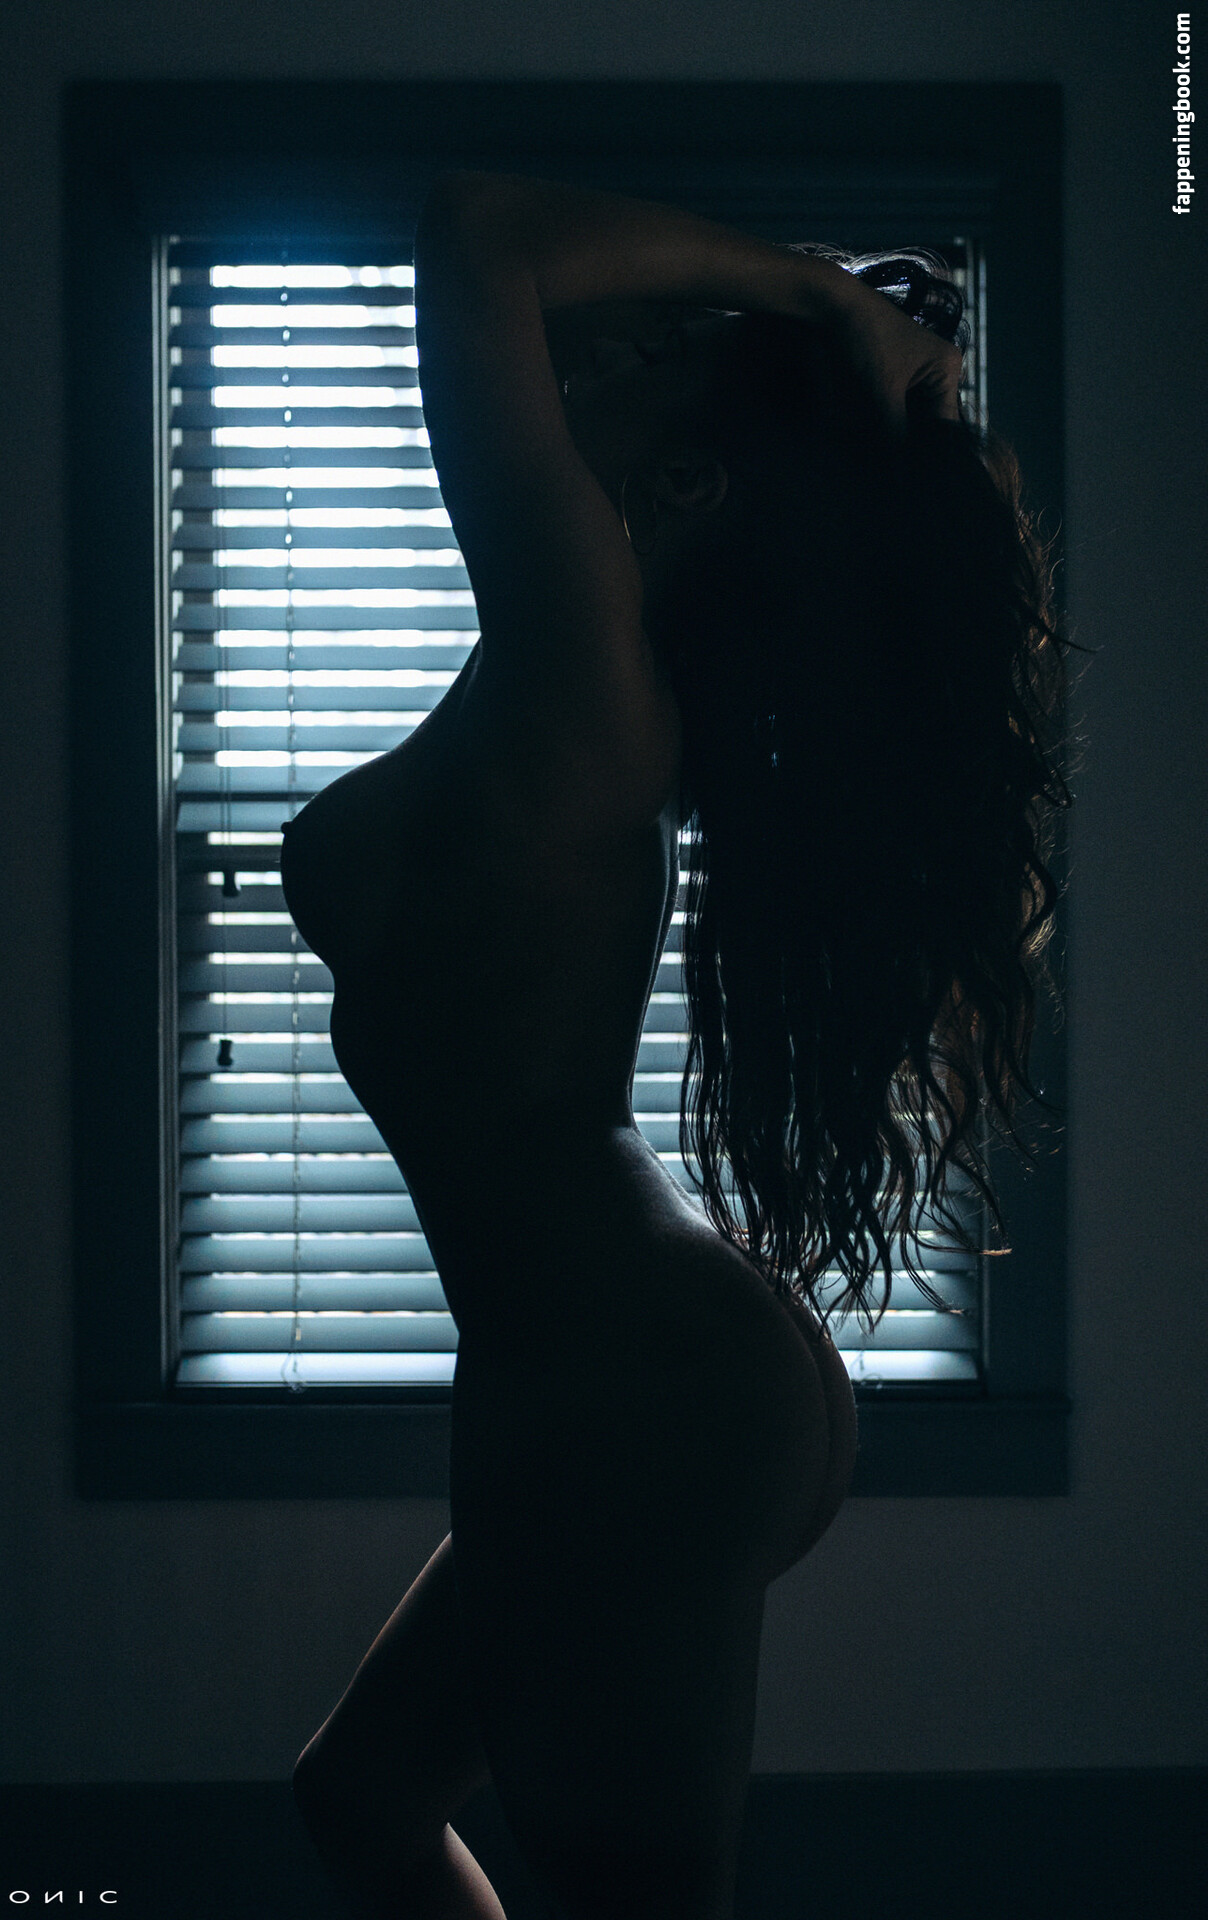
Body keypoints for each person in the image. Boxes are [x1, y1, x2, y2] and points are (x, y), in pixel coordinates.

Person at [282, 172, 1073, 1919]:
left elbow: (487, 239)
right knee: (359, 1800)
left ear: (691, 482)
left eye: (647, 363)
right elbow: (530, 284)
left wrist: (818, 300)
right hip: (626, 1375)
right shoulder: (583, 676)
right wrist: (799, 317)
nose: (592, 364)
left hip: (626, 1400)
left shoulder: (589, 669)